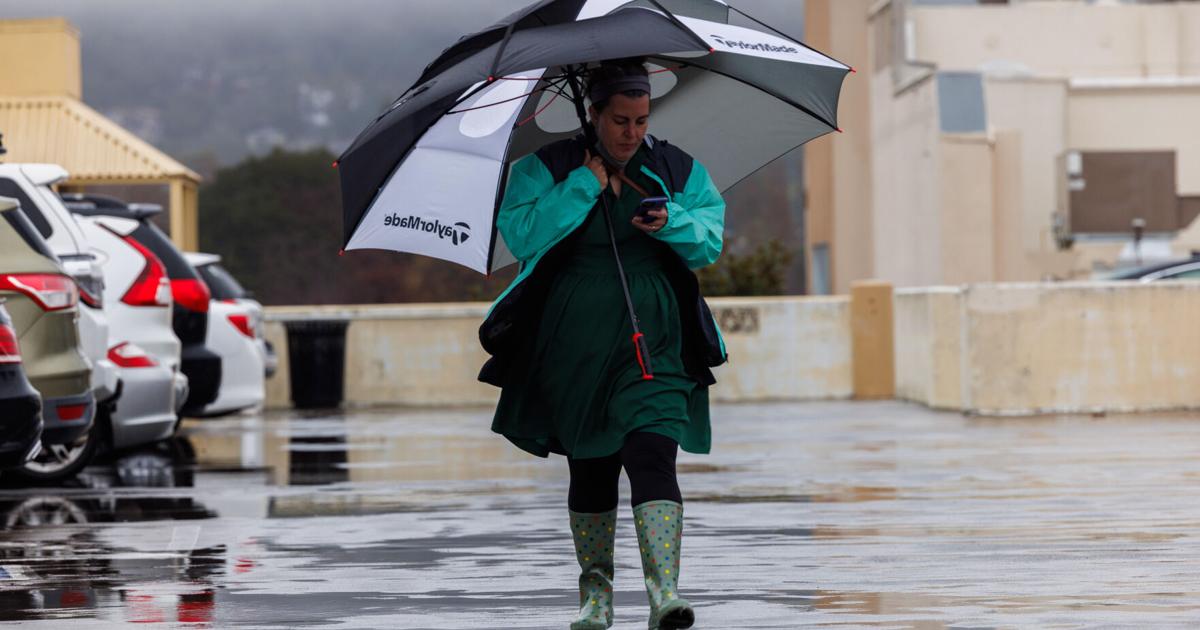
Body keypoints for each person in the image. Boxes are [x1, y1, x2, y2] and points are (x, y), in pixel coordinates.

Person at [478, 57, 727, 630]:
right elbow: (520, 233)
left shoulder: (674, 168)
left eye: (640, 120)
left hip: (656, 338)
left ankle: (665, 593)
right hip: (574, 344)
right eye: (619, 120)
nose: (631, 133)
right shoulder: (546, 166)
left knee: (652, 451)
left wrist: (669, 222)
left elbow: (710, 241)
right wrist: (584, 183)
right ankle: (596, 597)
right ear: (593, 114)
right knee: (591, 470)